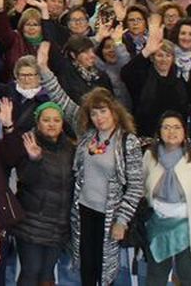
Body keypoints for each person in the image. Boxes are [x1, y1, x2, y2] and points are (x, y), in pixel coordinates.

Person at [38, 44, 145, 286]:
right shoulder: (87, 134)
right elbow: (61, 99)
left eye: (103, 112)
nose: (99, 118)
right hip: (83, 211)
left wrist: (122, 220)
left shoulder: (128, 142)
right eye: (94, 113)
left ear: (114, 112)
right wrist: (44, 69)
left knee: (104, 271)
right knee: (86, 268)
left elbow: (136, 187)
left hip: (110, 216)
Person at [140, 110, 191, 286]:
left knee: (190, 277)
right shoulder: (149, 156)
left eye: (177, 127)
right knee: (155, 277)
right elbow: (142, 188)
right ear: (159, 132)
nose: (172, 132)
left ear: (185, 131)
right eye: (166, 128)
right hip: (158, 226)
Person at [8, 102, 75, 286]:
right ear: (38, 122)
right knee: (31, 272)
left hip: (58, 224)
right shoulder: (29, 143)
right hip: (32, 222)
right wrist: (34, 160)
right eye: (46, 120)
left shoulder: (70, 148)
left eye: (56, 120)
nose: (51, 124)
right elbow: (26, 180)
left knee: (47, 275)